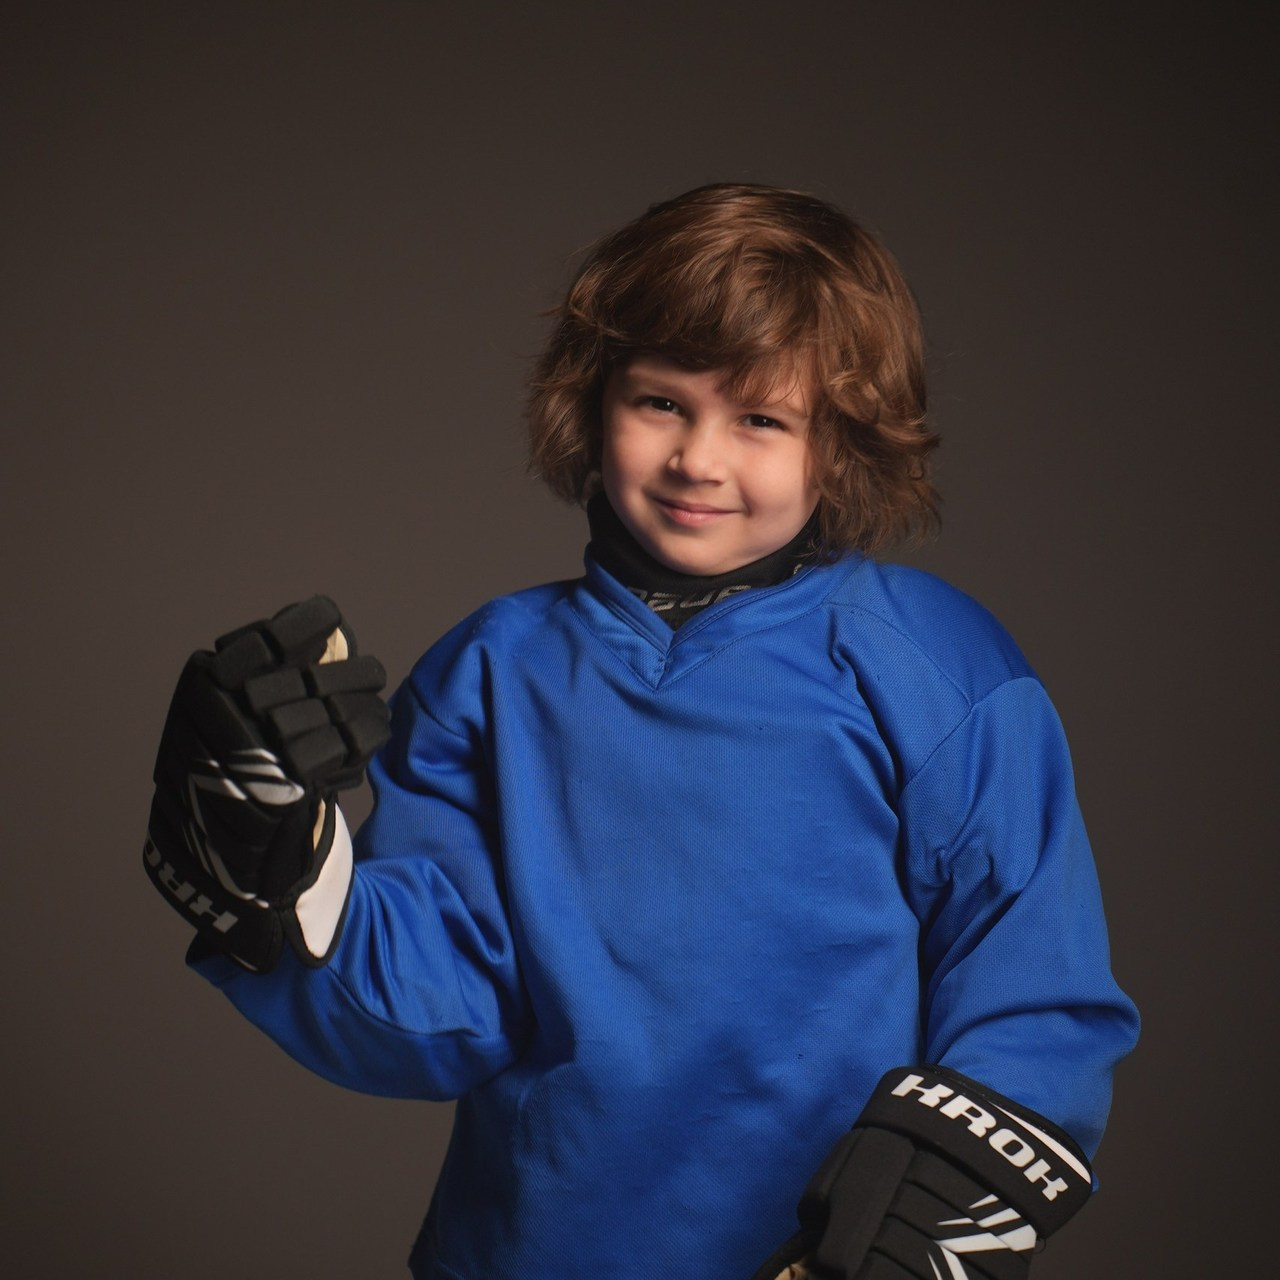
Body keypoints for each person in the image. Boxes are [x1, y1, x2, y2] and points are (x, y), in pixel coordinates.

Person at [142, 183, 1139, 1280]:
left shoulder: (935, 669)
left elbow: (1034, 987)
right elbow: (446, 1008)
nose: (698, 460)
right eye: (661, 402)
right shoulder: (494, 665)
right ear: (594, 398)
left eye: (761, 418)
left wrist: (950, 1201)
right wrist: (283, 881)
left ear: (842, 442)